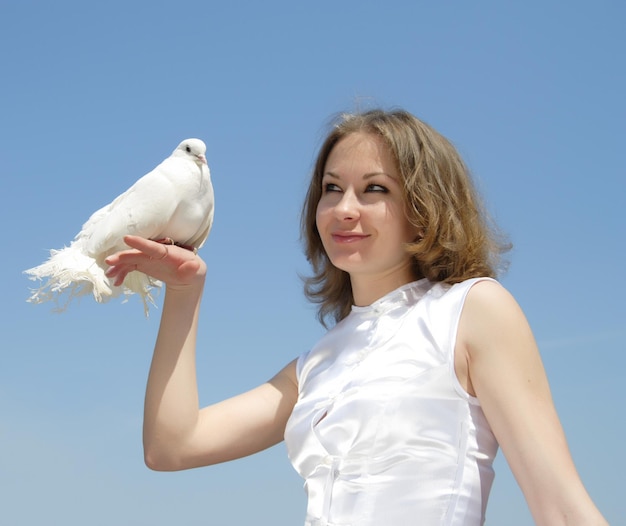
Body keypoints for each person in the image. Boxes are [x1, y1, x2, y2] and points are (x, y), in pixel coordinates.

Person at [104, 109, 608, 525]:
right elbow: (171, 446)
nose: (344, 209)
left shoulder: (471, 310)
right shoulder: (314, 367)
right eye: (331, 188)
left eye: (375, 190)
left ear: (424, 205)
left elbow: (562, 510)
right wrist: (184, 291)